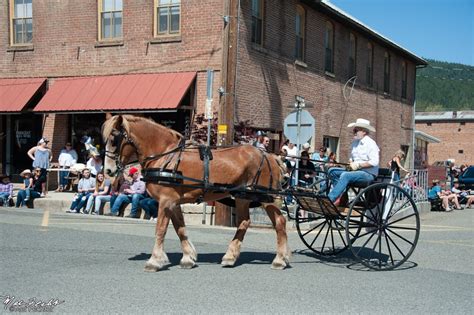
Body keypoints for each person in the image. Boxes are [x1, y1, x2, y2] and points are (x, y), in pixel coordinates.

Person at [328, 118, 379, 206]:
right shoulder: (355, 143)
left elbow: (374, 162)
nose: (354, 131)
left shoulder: (371, 143)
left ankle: (330, 199)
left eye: (356, 130)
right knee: (332, 171)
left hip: (368, 174)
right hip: (356, 172)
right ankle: (342, 197)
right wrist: (351, 162)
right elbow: (352, 158)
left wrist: (358, 165)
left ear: (364, 131)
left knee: (345, 175)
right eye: (354, 129)